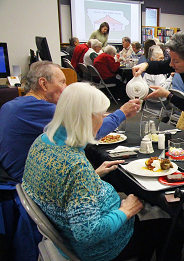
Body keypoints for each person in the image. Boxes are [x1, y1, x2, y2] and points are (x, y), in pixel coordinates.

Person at [22, 83, 173, 261]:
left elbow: (57, 184)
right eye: (101, 115)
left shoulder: (43, 141)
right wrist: (126, 210)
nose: (103, 120)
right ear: (87, 118)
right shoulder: (75, 166)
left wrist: (92, 176)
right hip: (102, 249)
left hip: (66, 231)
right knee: (170, 224)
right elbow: (88, 234)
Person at [0, 61, 139, 183]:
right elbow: (91, 132)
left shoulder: (10, 106)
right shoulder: (47, 111)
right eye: (62, 82)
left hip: (14, 177)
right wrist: (122, 112)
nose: (66, 87)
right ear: (43, 84)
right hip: (27, 183)